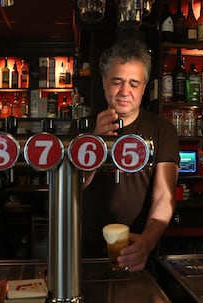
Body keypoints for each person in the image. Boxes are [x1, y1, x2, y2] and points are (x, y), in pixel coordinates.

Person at [78, 39, 180, 272]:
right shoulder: (82, 128)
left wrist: (147, 241)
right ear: (104, 82)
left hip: (139, 253)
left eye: (134, 84)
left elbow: (164, 197)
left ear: (145, 87)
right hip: (85, 254)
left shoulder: (162, 130)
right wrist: (96, 142)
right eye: (117, 82)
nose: (125, 92)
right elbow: (73, 187)